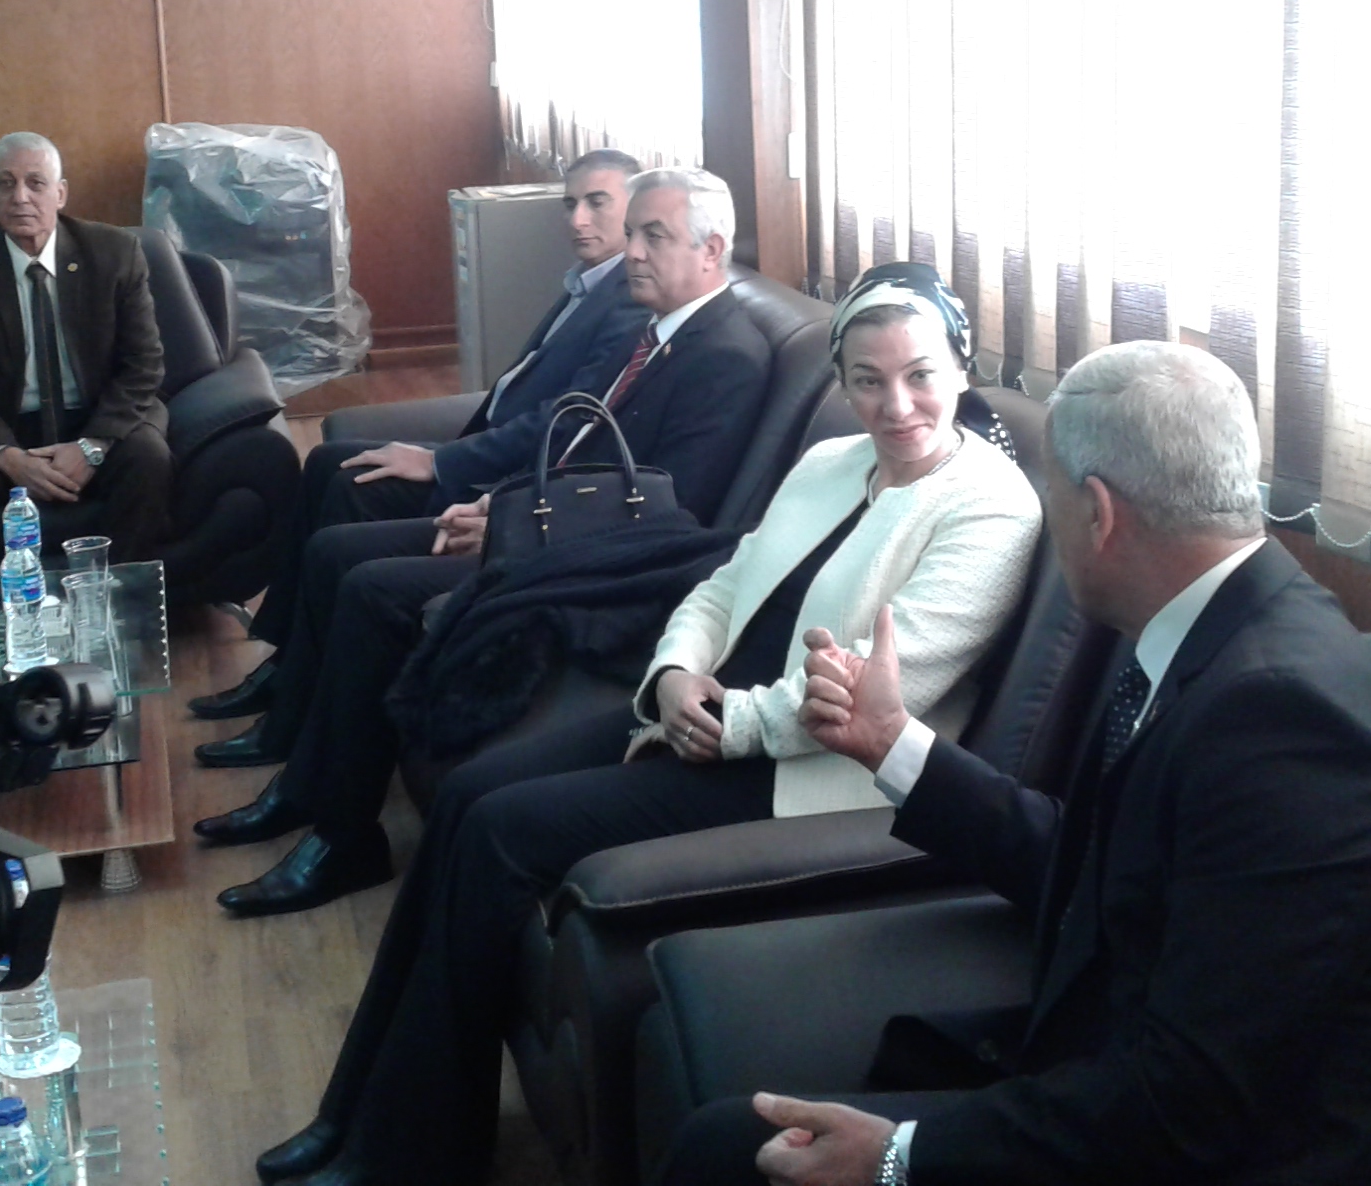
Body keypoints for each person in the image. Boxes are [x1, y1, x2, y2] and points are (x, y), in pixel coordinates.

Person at [251, 264, 1043, 1186]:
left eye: (920, 375)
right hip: (701, 712)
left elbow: (862, 696)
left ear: (961, 369)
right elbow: (724, 582)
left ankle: (408, 1151)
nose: (896, 404)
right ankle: (360, 1114)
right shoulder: (831, 464)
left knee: (503, 832)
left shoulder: (991, 505)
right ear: (842, 381)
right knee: (468, 795)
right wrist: (672, 673)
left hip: (806, 770)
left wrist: (726, 722)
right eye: (868, 380)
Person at [659, 341, 1371, 1186]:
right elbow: (1095, 866)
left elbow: (1192, 1103)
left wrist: (899, 1158)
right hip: (1123, 1072)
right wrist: (889, 742)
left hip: (1233, 1149)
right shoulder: (1204, 632)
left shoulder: (1291, 727)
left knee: (726, 1154)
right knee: (725, 1137)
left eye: (1051, 493)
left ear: (1097, 512)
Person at [191, 167, 772, 782]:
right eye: (631, 234)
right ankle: (295, 733)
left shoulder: (724, 356)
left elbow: (672, 514)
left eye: (654, 236)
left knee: (366, 582)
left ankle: (329, 810)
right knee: (336, 545)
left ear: (711, 250)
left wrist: (509, 526)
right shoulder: (660, 327)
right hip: (541, 514)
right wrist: (501, 503)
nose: (631, 252)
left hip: (591, 566)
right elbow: (578, 441)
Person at [193, 148, 650, 724]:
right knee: (328, 462)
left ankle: (296, 684)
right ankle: (286, 659)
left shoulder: (629, 299)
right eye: (570, 203)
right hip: (489, 447)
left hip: (508, 477)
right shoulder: (590, 281)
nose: (578, 219)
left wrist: (441, 462)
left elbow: (563, 423)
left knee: (354, 485)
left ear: (636, 209)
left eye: (597, 203)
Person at [0, 132, 176, 578]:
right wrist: (8, 456)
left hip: (99, 415)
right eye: (6, 184)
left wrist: (92, 445)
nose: (20, 197)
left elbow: (144, 365)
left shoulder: (114, 254)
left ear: (60, 193)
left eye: (35, 183)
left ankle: (118, 601)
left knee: (148, 458)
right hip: (4, 424)